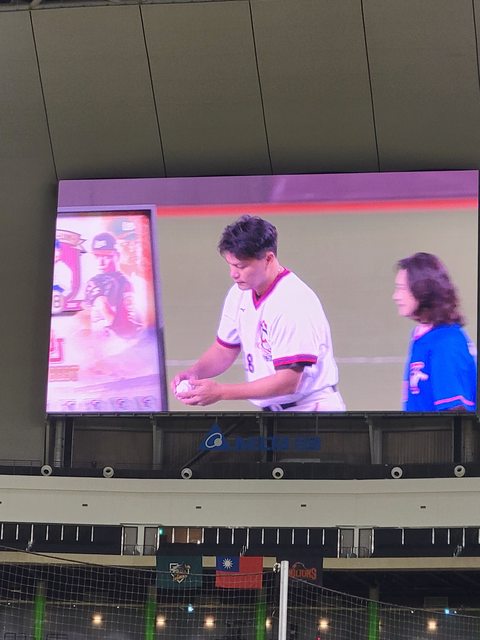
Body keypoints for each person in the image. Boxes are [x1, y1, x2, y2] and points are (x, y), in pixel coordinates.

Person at [172, 215, 345, 411]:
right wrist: (195, 373)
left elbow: (287, 382)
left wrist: (220, 392)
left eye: (241, 266)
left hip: (311, 411)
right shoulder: (239, 294)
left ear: (268, 259)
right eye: (230, 264)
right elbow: (224, 350)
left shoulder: (292, 302)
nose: (233, 274)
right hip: (276, 412)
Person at [392, 252, 476, 412]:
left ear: (422, 290)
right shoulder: (423, 336)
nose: (395, 296)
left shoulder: (446, 343)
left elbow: (455, 412)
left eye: (402, 289)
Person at [83, 232, 142, 339]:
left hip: (121, 344)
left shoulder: (124, 282)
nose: (100, 262)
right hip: (99, 344)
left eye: (106, 256)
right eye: (97, 256)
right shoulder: (94, 282)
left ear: (117, 255)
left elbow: (129, 327)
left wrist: (102, 304)